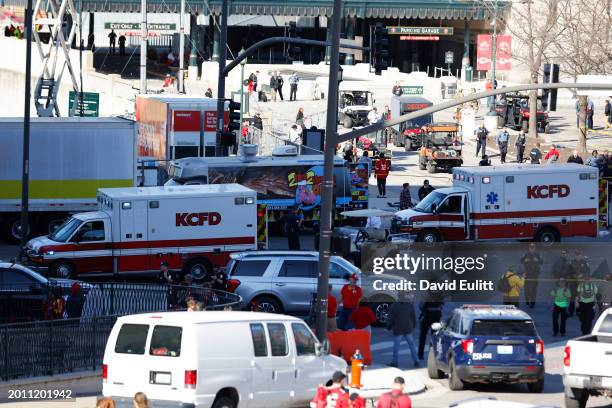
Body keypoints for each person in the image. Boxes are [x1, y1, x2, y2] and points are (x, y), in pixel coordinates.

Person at [387, 291, 420, 368]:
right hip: (408, 327)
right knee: (411, 345)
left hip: (398, 328)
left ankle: (395, 362)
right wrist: (414, 325)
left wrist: (389, 326)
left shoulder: (395, 305)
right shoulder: (409, 305)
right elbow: (413, 316)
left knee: (396, 346)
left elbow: (390, 317)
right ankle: (416, 361)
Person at [418, 294, 443, 360]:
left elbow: (420, 305)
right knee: (436, 337)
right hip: (437, 317)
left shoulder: (426, 295)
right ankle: (435, 354)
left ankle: (420, 354)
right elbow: (443, 303)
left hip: (427, 316)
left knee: (423, 336)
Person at [521, 243, 544, 308]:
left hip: (535, 274)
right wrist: (525, 260)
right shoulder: (526, 254)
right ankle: (527, 301)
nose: (532, 249)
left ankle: (532, 303)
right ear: (529, 248)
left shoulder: (538, 254)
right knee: (526, 289)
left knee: (534, 289)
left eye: (533, 247)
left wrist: (538, 260)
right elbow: (521, 260)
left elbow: (542, 262)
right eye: (530, 247)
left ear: (535, 248)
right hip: (527, 274)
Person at [568, 250, 589, 317]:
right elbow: (568, 271)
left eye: (579, 255)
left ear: (581, 255)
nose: (578, 256)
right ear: (575, 255)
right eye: (577, 255)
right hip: (573, 283)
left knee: (579, 297)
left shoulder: (584, 262)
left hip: (581, 283)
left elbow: (587, 271)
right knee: (572, 297)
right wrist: (573, 275)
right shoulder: (572, 262)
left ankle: (579, 311)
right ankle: (570, 311)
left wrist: (582, 275)